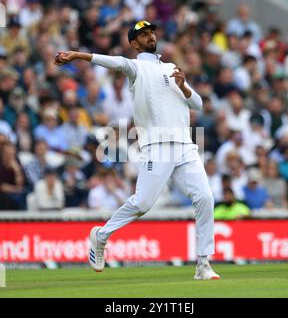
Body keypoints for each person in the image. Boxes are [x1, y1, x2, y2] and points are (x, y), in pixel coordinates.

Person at [55, 20, 219, 280]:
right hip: (156, 146)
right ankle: (101, 235)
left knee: (205, 198)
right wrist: (77, 55)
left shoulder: (171, 68)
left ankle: (203, 264)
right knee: (142, 203)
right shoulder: (136, 67)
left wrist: (183, 86)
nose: (150, 36)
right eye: (143, 34)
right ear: (134, 43)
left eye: (152, 32)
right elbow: (116, 62)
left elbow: (197, 104)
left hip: (185, 145)